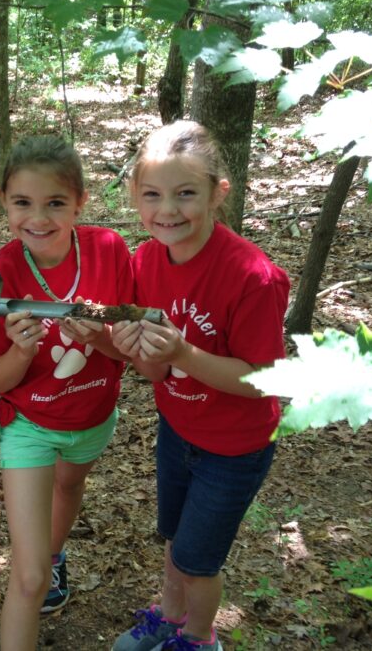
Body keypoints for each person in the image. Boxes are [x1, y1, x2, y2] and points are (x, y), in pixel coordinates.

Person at [110, 121, 290, 651]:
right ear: (135, 197)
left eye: (185, 193)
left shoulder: (252, 277)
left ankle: (198, 637)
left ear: (217, 193)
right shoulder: (145, 260)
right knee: (174, 538)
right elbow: (156, 372)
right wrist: (132, 348)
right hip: (178, 428)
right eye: (152, 195)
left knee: (197, 560)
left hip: (235, 447)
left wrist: (183, 353)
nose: (167, 210)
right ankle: (169, 616)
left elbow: (263, 381)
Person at [0, 136, 133, 650]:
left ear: (80, 202)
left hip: (93, 415)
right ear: (4, 201)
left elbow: (128, 351)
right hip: (29, 427)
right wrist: (20, 352)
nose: (38, 218)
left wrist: (100, 337)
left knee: (70, 484)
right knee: (28, 575)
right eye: (23, 202)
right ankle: (42, 567)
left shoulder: (109, 250)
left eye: (55, 203)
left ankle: (56, 553)